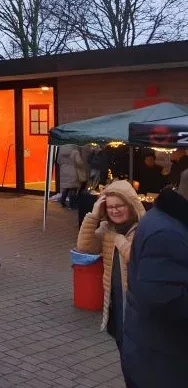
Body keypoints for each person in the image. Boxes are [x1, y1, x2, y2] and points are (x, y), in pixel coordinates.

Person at [121, 169, 188, 388]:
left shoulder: (169, 221)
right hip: (162, 364)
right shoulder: (167, 233)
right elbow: (163, 300)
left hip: (155, 355)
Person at [76, 181, 145, 351]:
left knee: (137, 349)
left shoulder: (144, 228)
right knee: (121, 344)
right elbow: (85, 246)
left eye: (119, 206)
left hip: (137, 303)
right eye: (110, 207)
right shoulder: (107, 228)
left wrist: (119, 240)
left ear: (130, 205)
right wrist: (93, 216)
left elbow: (135, 257)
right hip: (116, 299)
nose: (114, 210)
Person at [57, 144, 85, 209]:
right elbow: (79, 162)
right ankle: (72, 204)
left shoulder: (61, 150)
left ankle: (62, 202)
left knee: (66, 188)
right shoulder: (75, 151)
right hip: (72, 171)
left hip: (63, 170)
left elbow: (58, 161)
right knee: (73, 188)